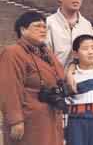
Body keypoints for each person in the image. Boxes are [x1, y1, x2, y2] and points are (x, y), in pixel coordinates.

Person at [0, 11, 65, 145]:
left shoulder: (46, 53)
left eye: (44, 27)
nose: (43, 30)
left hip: (50, 118)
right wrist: (15, 120)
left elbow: (60, 76)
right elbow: (9, 88)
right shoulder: (13, 53)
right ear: (23, 30)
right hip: (28, 120)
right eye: (37, 26)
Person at [65, 35, 93, 145]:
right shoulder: (71, 77)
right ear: (75, 53)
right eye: (85, 49)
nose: (90, 52)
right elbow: (66, 104)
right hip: (77, 121)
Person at [46, 0, 93, 67]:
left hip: (82, 79)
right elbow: (45, 59)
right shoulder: (48, 24)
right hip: (57, 79)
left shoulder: (86, 25)